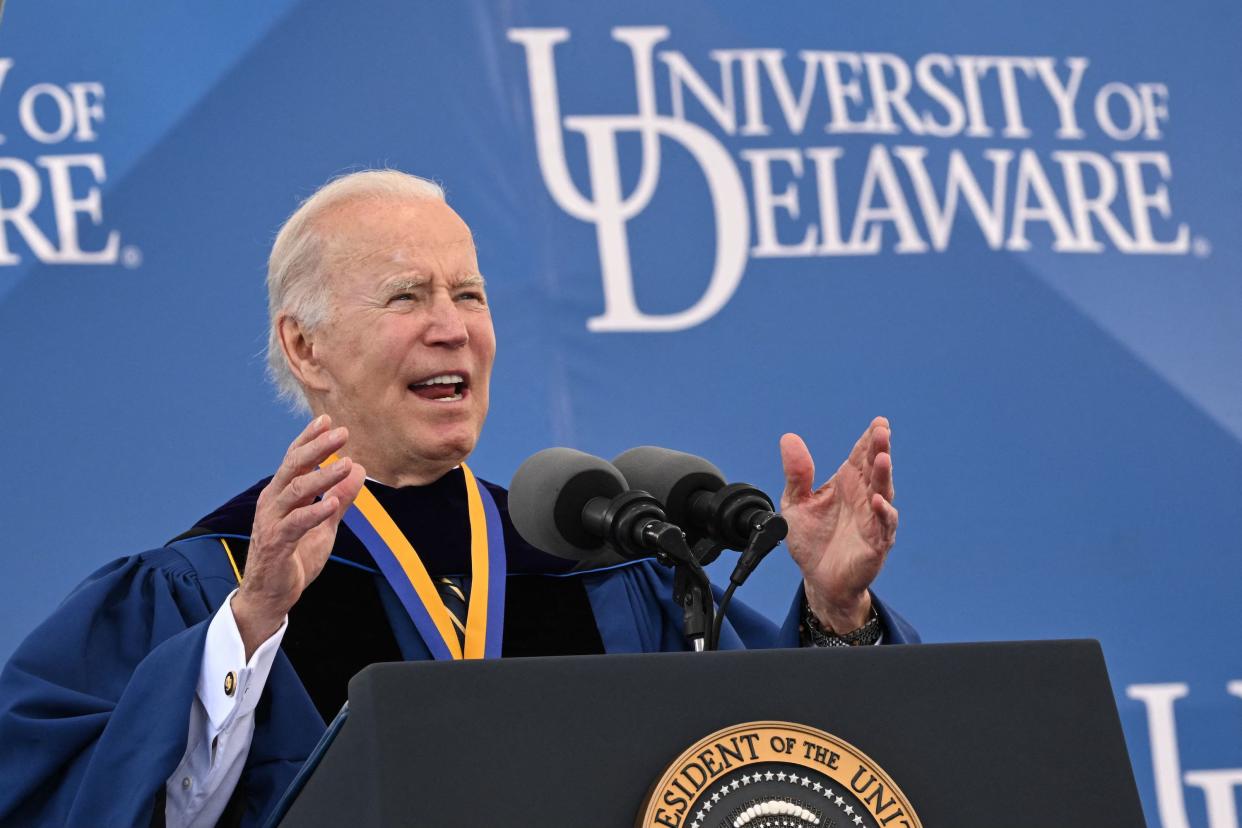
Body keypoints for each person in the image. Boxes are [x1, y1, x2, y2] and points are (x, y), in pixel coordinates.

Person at [0, 170, 917, 827]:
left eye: (469, 293)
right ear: (306, 347)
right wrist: (252, 625)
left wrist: (837, 612)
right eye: (406, 296)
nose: (452, 327)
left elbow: (775, 768)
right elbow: (93, 797)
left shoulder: (603, 562)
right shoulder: (214, 583)